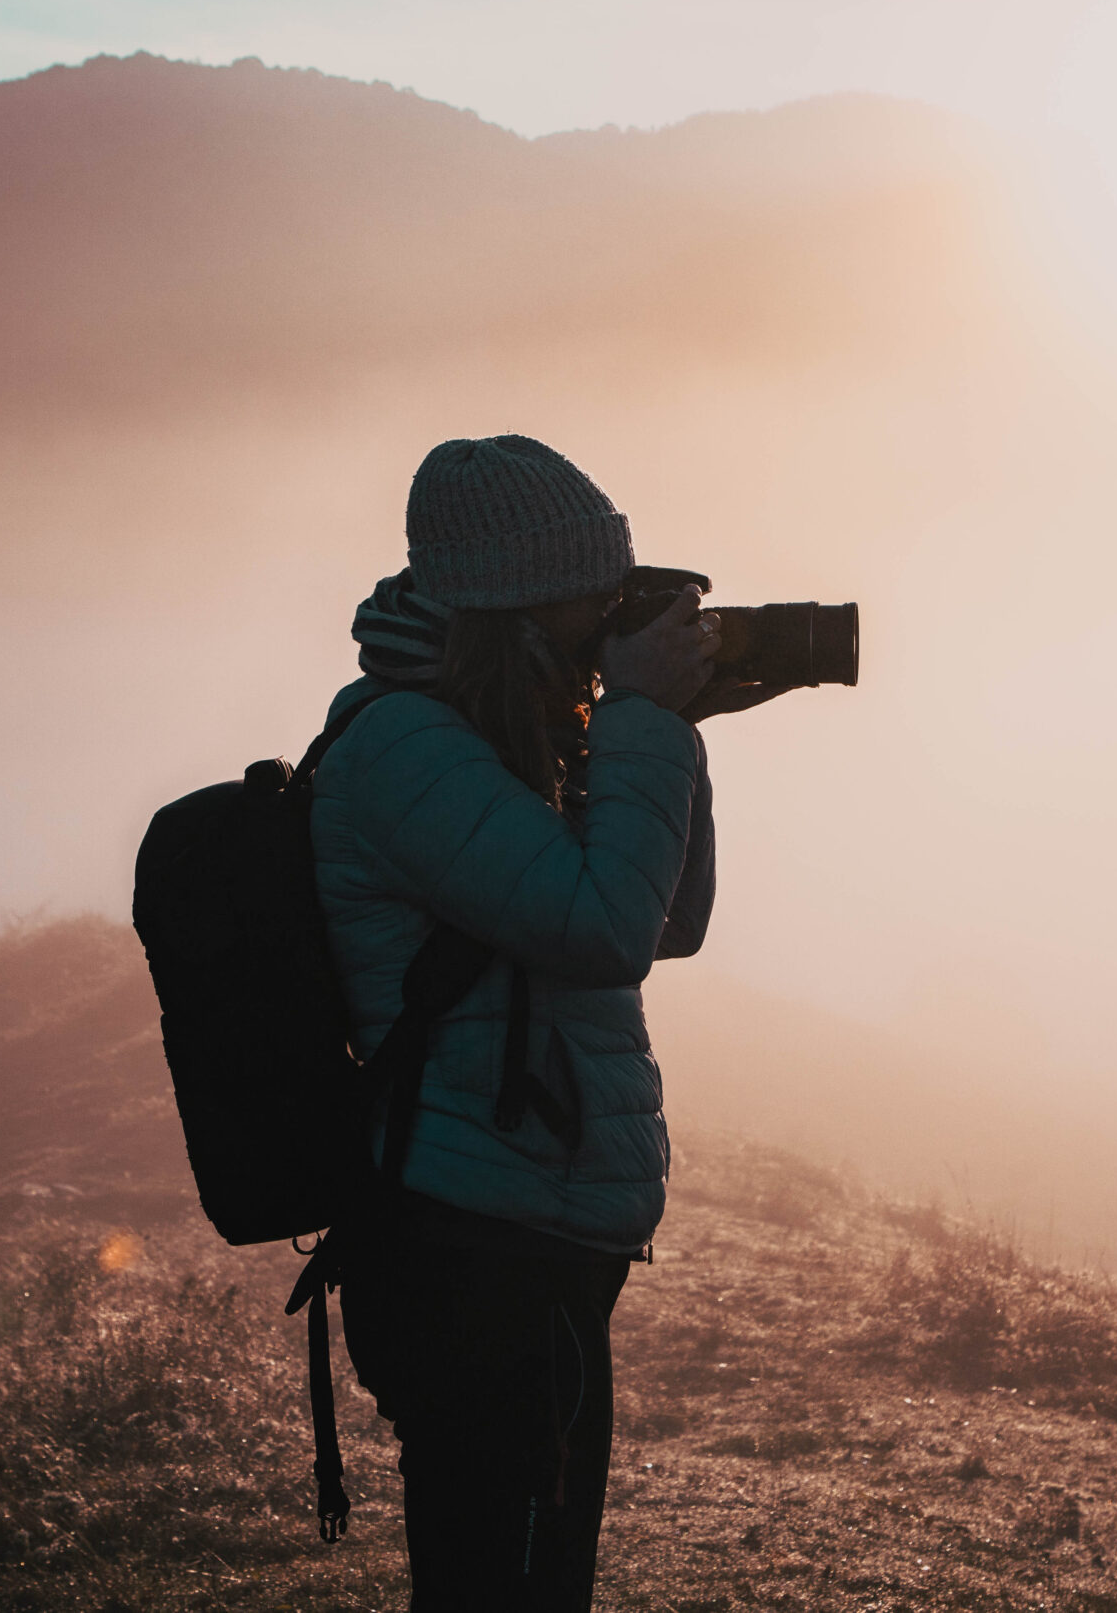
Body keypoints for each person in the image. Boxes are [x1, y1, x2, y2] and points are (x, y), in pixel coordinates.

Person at [312, 434, 775, 1610]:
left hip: (533, 1221)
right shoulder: (410, 748)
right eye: (594, 598)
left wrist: (673, 731)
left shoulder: (499, 742)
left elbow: (670, 921)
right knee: (504, 1583)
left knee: (530, 1577)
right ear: (514, 605)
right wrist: (640, 721)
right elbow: (603, 927)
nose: (609, 622)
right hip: (477, 1240)